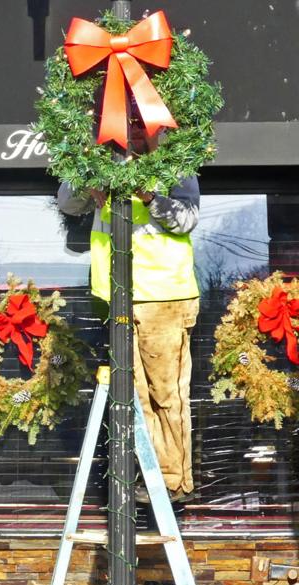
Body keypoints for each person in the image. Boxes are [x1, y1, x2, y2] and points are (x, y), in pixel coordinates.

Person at [57, 128, 200, 503]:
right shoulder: (101, 166)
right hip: (119, 298)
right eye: (127, 124)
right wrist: (89, 184)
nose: (132, 132)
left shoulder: (173, 165)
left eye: (140, 125)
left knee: (166, 393)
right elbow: (67, 204)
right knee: (135, 394)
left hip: (164, 296)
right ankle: (155, 478)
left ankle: (174, 482)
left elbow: (186, 220)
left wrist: (148, 195)